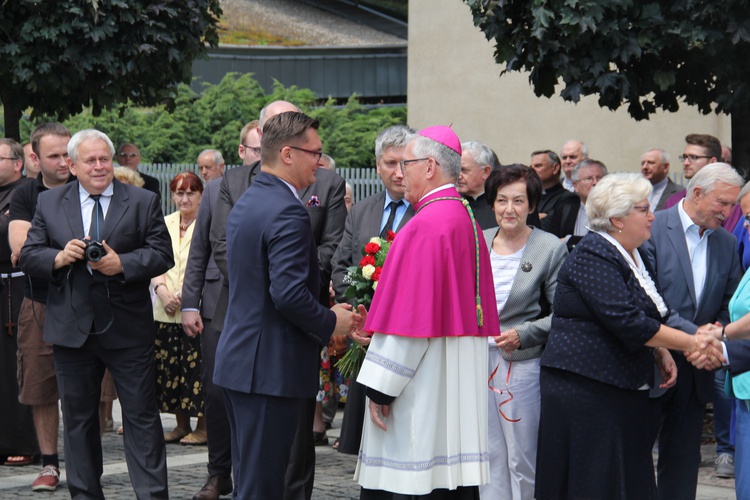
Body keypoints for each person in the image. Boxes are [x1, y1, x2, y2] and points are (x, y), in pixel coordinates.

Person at [535, 172, 724, 500]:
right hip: (587, 388)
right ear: (617, 219)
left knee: (625, 477)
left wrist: (661, 351)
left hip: (619, 387)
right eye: (642, 209)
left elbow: (654, 311)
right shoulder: (594, 252)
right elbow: (628, 321)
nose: (652, 215)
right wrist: (695, 343)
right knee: (594, 480)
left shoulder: (635, 253)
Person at [19, 129, 173, 499]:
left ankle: (152, 495)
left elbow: (162, 254)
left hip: (128, 327)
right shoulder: (50, 203)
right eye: (90, 160)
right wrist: (57, 257)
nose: (100, 166)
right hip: (71, 328)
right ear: (72, 165)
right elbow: (28, 254)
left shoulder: (142, 200)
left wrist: (123, 263)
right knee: (78, 423)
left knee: (141, 418)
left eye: (105, 158)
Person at [213, 111, 359, 499]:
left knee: (252, 481)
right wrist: (332, 322)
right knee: (263, 487)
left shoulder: (252, 199)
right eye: (316, 152)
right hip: (268, 369)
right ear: (290, 154)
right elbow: (288, 294)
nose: (321, 161)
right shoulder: (288, 210)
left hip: (244, 362)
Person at [354, 125, 500, 498]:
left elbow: (410, 322)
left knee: (415, 479)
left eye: (407, 164)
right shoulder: (462, 216)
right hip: (451, 377)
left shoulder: (427, 225)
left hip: (422, 388)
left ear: (430, 166)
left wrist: (381, 390)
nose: (400, 173)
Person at [642, 163, 743, 499]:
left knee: (683, 464)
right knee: (635, 459)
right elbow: (649, 302)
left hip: (697, 371)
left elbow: (730, 306)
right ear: (696, 193)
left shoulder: (727, 244)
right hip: (652, 364)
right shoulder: (651, 229)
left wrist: (715, 336)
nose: (728, 213)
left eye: (732, 205)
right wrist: (697, 339)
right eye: (723, 203)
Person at [480, 164, 567, 500]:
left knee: (522, 455)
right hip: (475, 360)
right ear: (492, 202)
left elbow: (564, 314)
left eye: (519, 201)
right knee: (486, 454)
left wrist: (524, 334)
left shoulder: (549, 247)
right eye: (502, 200)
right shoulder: (478, 241)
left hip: (522, 363)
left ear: (532, 205)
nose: (509, 209)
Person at [330, 125, 415, 456]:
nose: (398, 172)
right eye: (391, 164)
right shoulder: (363, 211)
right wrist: (360, 302)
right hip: (364, 332)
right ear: (377, 165)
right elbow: (344, 268)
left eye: (405, 164)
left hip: (404, 332)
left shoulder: (424, 212)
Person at [9, 123, 72, 492]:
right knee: (40, 386)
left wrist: (43, 249)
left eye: (68, 153)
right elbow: (20, 250)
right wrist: (60, 253)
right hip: (40, 300)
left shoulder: (89, 189)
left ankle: (83, 460)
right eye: (54, 155)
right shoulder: (25, 194)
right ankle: (49, 464)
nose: (64, 161)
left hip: (89, 302)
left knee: (87, 389)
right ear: (34, 158)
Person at [181, 169, 232, 499]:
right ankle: (218, 472)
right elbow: (199, 249)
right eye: (253, 148)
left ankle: (248, 471)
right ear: (242, 151)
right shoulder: (214, 190)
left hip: (266, 305)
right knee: (214, 391)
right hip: (215, 303)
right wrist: (190, 302)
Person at [152, 172, 207, 446]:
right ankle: (180, 424)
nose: (184, 198)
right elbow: (155, 260)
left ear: (201, 195)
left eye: (190, 193)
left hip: (194, 308)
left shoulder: (207, 224)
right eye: (179, 192)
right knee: (171, 369)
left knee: (196, 369)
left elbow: (206, 264)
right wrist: (161, 290)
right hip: (164, 309)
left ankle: (203, 426)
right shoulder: (164, 223)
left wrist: (185, 295)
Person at [0, 139, 39, 468]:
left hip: (15, 288)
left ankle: (22, 441)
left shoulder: (27, 193)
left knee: (16, 368)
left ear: (17, 163)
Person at [544, 159, 607, 251]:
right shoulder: (566, 207)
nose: (595, 182)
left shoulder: (615, 211)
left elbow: (607, 242)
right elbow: (551, 242)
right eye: (588, 178)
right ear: (575, 186)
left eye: (599, 178)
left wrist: (569, 240)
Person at [663, 134, 721, 210]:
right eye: (684, 157)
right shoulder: (674, 202)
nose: (685, 163)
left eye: (693, 157)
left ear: (712, 162)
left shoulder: (727, 200)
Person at [529, 149, 578, 226]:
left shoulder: (569, 199)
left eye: (538, 166)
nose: (532, 170)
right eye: (531, 167)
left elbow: (550, 228)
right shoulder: (530, 197)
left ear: (555, 168)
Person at [458, 141, 494, 229]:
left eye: (464, 170)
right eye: (456, 169)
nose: (458, 176)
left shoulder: (498, 206)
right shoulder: (451, 201)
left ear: (486, 172)